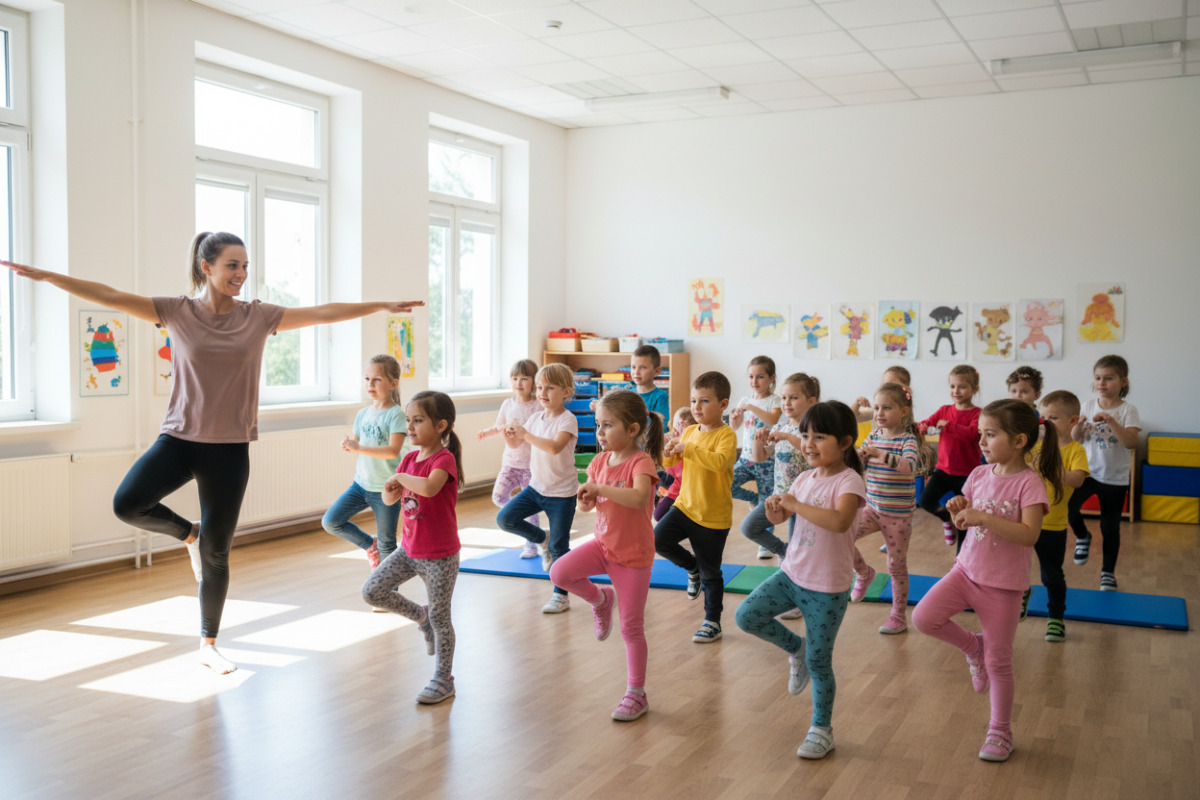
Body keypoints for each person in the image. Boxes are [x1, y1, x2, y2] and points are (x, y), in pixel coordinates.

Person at [3, 233, 423, 674]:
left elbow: (320, 313)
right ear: (206, 266)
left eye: (245, 266)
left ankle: (208, 642)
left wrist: (378, 305)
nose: (241, 275)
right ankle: (189, 533)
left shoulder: (258, 317)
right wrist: (49, 276)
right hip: (179, 439)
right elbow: (110, 296)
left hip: (229, 450)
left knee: (217, 555)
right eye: (232, 266)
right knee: (128, 503)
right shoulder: (175, 311)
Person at [912, 399, 1062, 763]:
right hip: (965, 570)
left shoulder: (1030, 484)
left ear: (1020, 440)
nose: (981, 442)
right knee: (923, 618)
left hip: (1004, 586)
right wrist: (959, 507)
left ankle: (1000, 730)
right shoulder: (979, 474)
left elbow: (1028, 535)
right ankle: (972, 647)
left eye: (990, 435)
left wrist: (982, 517)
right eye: (981, 434)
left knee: (1000, 663)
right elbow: (971, 511)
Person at [734, 400, 866, 760]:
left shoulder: (849, 480)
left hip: (827, 589)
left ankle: (822, 730)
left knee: (822, 662)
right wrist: (778, 511)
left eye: (819, 436)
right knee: (746, 616)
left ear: (845, 442)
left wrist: (794, 505)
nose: (808, 443)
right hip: (791, 575)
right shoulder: (804, 477)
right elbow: (790, 520)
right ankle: (796, 649)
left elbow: (839, 522)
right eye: (805, 435)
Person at [550, 390, 664, 721]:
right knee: (560, 573)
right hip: (602, 545)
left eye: (607, 425)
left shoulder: (640, 462)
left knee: (631, 628)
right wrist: (587, 500)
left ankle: (636, 693)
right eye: (598, 425)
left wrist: (599, 490)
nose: (599, 432)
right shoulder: (599, 461)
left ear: (632, 430)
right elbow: (593, 504)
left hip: (633, 556)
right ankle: (601, 599)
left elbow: (639, 496)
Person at [364, 391, 463, 704]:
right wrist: (390, 490)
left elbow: (430, 488)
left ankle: (443, 679)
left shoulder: (443, 459)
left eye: (418, 420)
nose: (410, 426)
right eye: (408, 420)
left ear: (441, 425)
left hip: (440, 556)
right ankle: (420, 617)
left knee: (442, 619)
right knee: (372, 591)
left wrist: (401, 477)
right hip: (409, 550)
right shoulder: (408, 459)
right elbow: (392, 498)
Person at [654, 371, 737, 643]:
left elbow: (720, 463)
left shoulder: (726, 435)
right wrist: (668, 454)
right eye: (693, 401)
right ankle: (692, 568)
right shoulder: (689, 431)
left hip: (713, 517)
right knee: (658, 540)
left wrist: (687, 448)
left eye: (704, 401)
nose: (696, 407)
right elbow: (674, 466)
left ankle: (712, 621)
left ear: (723, 404)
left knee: (712, 573)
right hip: (685, 507)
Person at [495, 362, 579, 613]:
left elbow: (554, 447)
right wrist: (511, 434)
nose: (542, 392)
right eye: (540, 387)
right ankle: (542, 538)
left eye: (549, 387)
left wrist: (525, 434)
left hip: (562, 494)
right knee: (505, 518)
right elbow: (515, 445)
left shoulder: (568, 420)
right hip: (536, 488)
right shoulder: (535, 417)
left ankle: (560, 595)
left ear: (566, 391)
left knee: (560, 548)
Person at [849, 382, 927, 634]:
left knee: (896, 566)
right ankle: (863, 573)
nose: (879, 413)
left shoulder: (908, 440)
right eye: (876, 407)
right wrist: (862, 458)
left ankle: (898, 616)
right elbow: (864, 468)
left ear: (904, 411)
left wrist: (879, 454)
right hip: (872, 508)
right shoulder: (873, 436)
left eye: (887, 407)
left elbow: (909, 467)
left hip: (898, 516)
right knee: (841, 535)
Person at [321, 355, 406, 575]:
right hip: (360, 486)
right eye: (367, 378)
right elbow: (359, 443)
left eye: (377, 379)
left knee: (388, 544)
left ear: (393, 384)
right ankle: (370, 545)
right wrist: (350, 445)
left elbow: (392, 451)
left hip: (386, 490)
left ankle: (388, 593)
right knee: (331, 521)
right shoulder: (362, 414)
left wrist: (357, 448)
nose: (370, 384)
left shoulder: (395, 414)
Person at [1068, 355, 1140, 591]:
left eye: (1108, 378)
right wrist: (1078, 426)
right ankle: (1082, 536)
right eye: (1098, 378)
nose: (1102, 382)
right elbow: (1075, 439)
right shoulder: (1087, 406)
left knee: (1110, 527)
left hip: (1115, 478)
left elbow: (1130, 443)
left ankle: (1107, 573)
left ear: (1123, 382)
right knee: (1068, 506)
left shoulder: (1128, 410)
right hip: (1087, 472)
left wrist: (1111, 420)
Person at [740, 372, 819, 561]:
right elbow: (761, 457)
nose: (787, 403)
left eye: (794, 398)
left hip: (804, 500)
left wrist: (786, 437)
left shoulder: (814, 429)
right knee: (749, 527)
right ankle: (783, 551)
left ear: (811, 401)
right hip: (779, 495)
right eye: (784, 398)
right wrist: (758, 442)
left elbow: (808, 450)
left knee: (801, 547)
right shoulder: (780, 428)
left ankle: (797, 566)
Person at [1033, 391, 1089, 641]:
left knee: (1051, 574)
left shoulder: (1075, 450)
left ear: (1073, 421)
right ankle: (1021, 594)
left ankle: (1055, 617)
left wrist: (1051, 468)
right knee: (1012, 566)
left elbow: (1077, 479)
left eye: (1052, 417)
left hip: (1052, 524)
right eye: (1042, 416)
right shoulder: (1034, 445)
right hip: (1024, 520)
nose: (1044, 422)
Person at [478, 359, 542, 558]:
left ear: (533, 381)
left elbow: (539, 432)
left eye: (524, 378)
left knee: (532, 512)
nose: (519, 382)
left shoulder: (538, 406)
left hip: (530, 466)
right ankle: (516, 512)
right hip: (510, 464)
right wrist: (485, 433)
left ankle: (532, 545)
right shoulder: (508, 404)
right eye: (514, 378)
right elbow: (499, 426)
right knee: (498, 496)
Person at [917, 364, 983, 549]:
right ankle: (946, 518)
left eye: (962, 386)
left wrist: (948, 426)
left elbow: (971, 434)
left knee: (963, 517)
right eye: (953, 386)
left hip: (967, 474)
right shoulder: (944, 409)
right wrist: (922, 426)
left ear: (974, 389)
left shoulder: (978, 413)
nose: (956, 391)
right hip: (943, 471)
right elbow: (927, 422)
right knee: (925, 501)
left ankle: (960, 559)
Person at [730, 356, 783, 515]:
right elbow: (735, 426)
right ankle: (753, 498)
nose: (754, 381)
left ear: (771, 378)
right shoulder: (746, 400)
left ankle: (765, 536)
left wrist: (752, 408)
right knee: (725, 485)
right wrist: (735, 418)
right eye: (751, 376)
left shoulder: (775, 400)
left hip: (766, 461)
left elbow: (773, 418)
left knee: (766, 507)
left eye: (760, 377)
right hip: (746, 459)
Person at [654, 407, 694, 523]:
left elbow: (678, 471)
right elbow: (668, 467)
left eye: (679, 426)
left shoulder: (691, 443)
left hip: (685, 489)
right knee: (657, 476)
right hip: (674, 482)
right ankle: (661, 497)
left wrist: (674, 451)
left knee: (659, 516)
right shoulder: (674, 439)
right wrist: (667, 450)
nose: (675, 431)